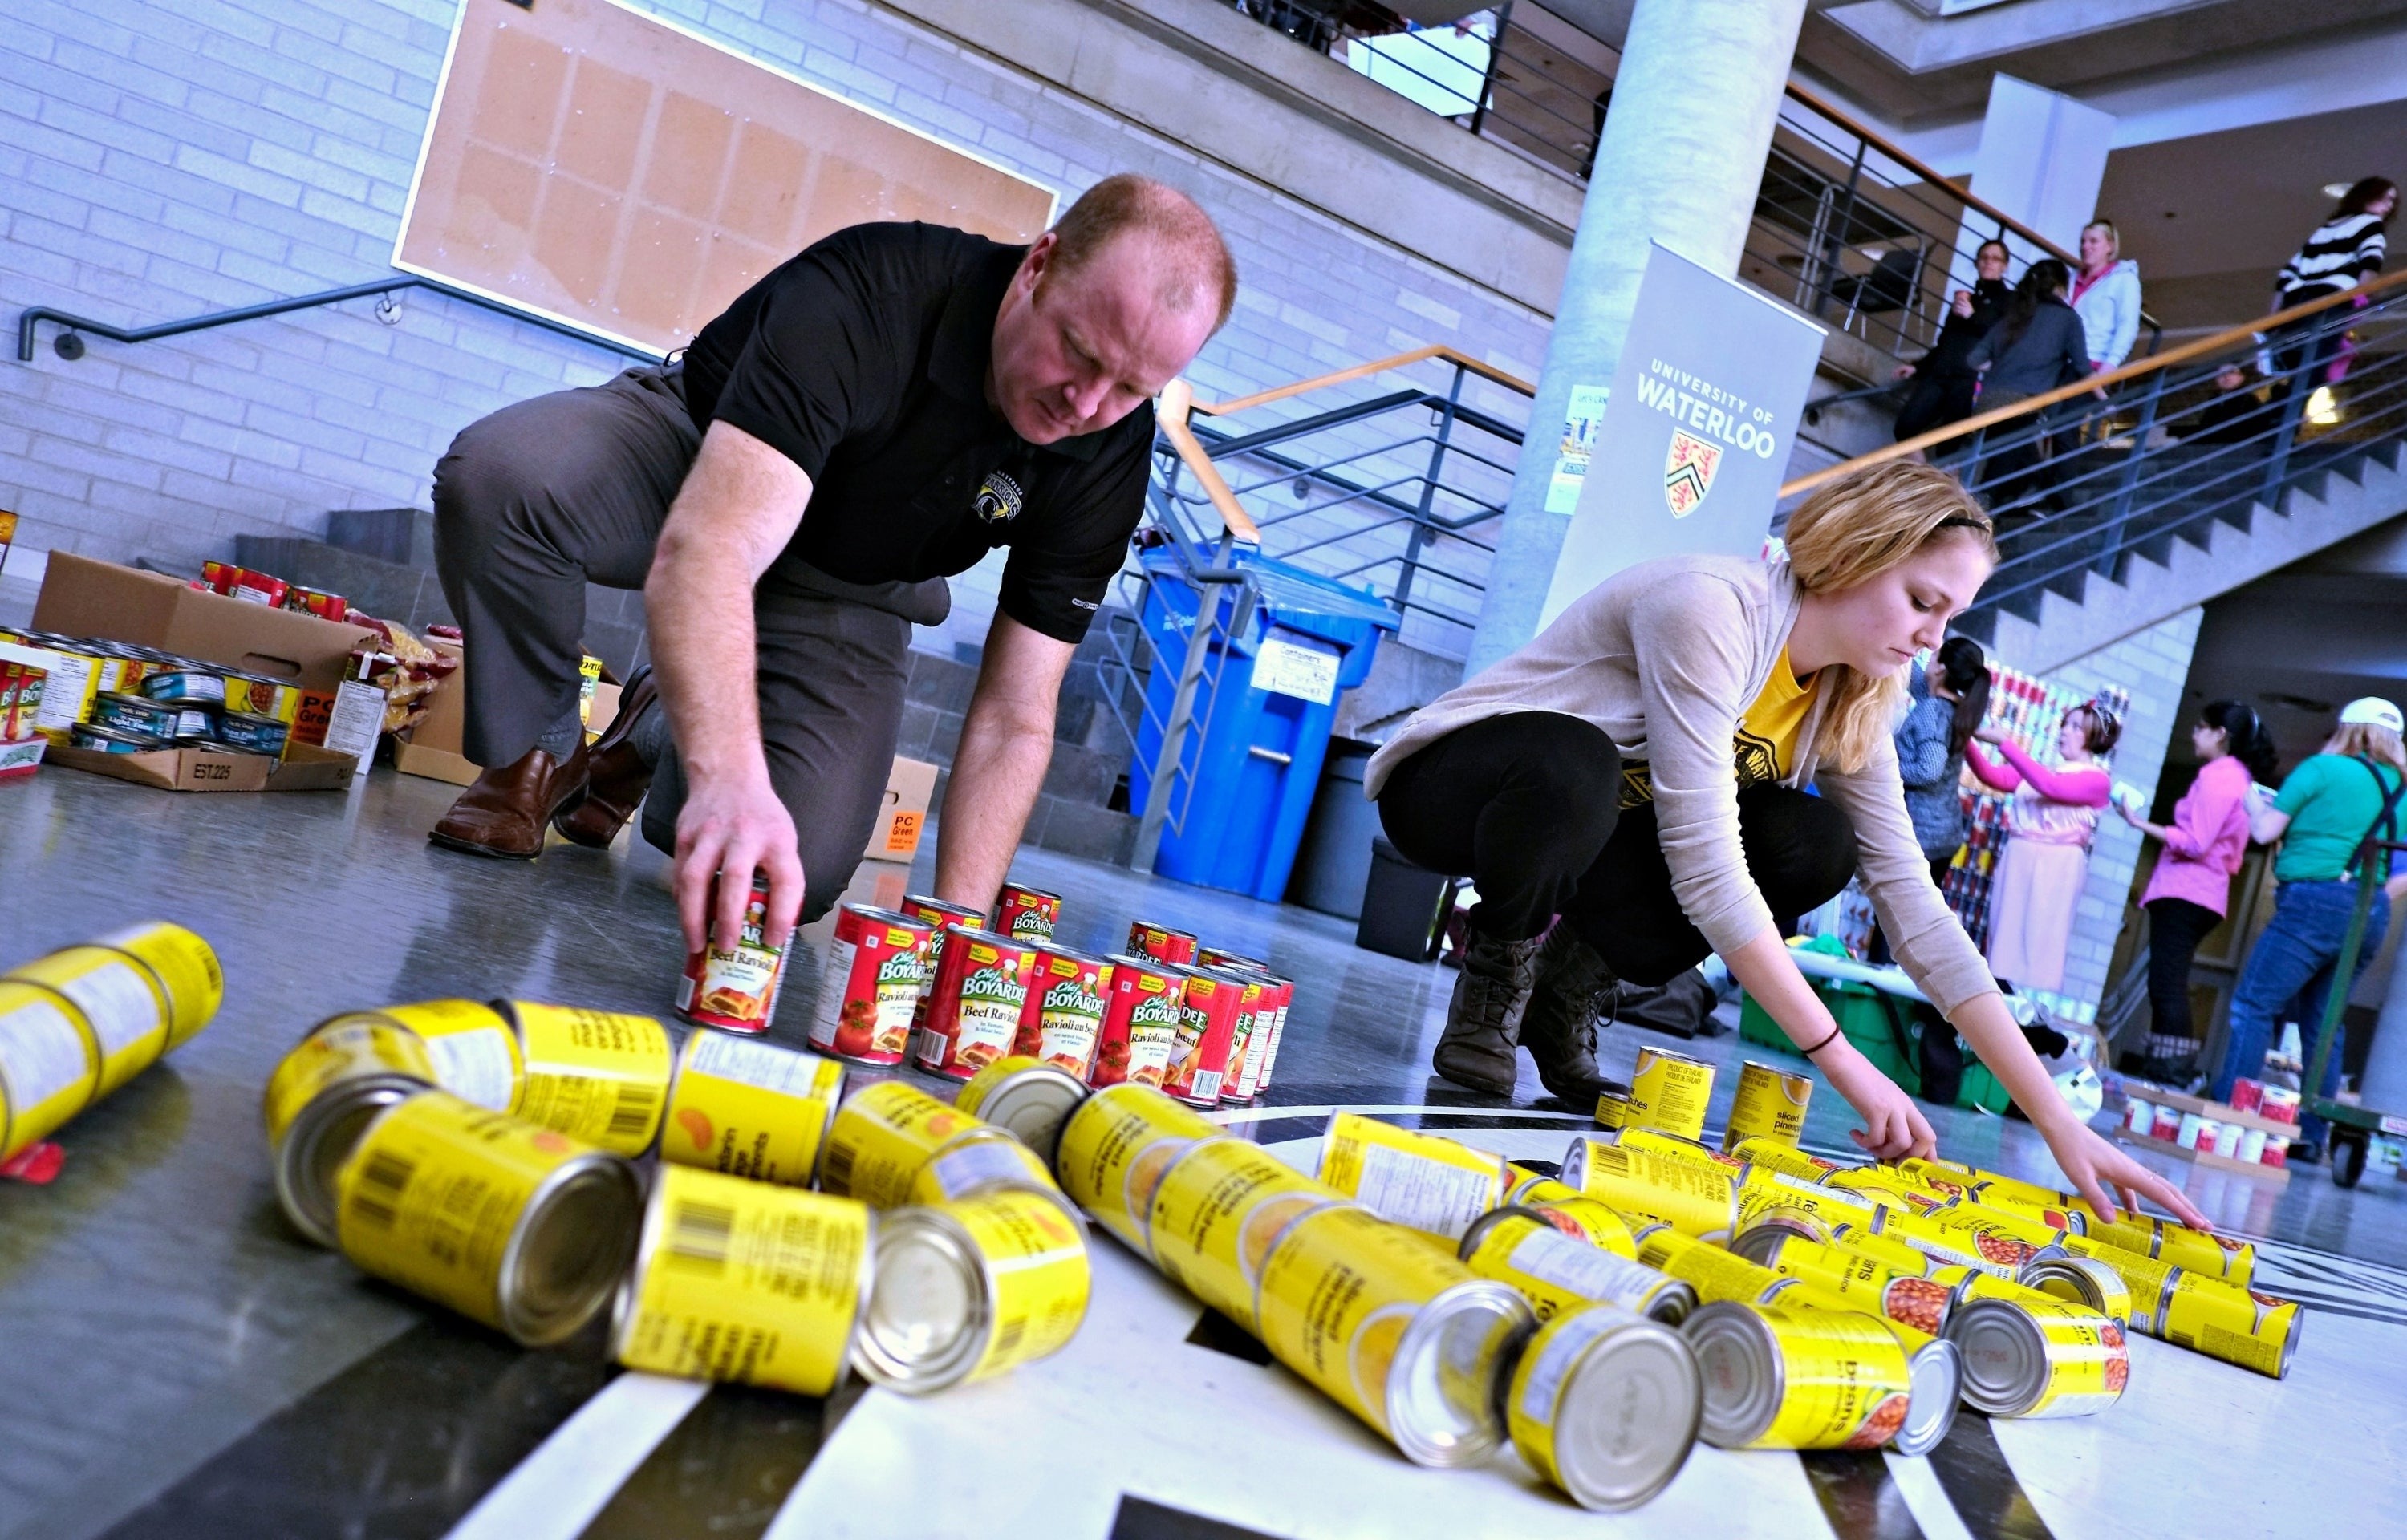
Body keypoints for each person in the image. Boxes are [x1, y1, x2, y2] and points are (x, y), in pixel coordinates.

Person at [1365, 458, 2206, 1226]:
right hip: (1455, 795)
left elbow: (1913, 903)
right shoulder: (1710, 606)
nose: (1930, 636)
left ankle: (1566, 988)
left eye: (1950, 615)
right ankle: (1498, 968)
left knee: (1816, 843)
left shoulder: (1859, 697)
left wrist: (2059, 1122)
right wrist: (1842, 1063)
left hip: (1595, 845)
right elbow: (1705, 866)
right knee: (1574, 766)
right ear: (1850, 554)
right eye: (1923, 601)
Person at [428, 177, 1235, 958]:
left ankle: (654, 728)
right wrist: (729, 776)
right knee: (505, 480)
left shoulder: (1106, 452)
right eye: (1077, 351)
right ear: (1038, 265)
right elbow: (708, 548)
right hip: (700, 467)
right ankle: (533, 751)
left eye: (1130, 389)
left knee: (786, 872)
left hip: (852, 583)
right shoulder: (872, 290)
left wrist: (956, 935)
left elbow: (1017, 712)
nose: (1085, 406)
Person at [2218, 697, 2407, 1158]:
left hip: (2311, 903)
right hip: (2369, 913)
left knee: (2253, 1005)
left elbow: (2264, 833)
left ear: (2348, 729)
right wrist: (2373, 896)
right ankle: (2310, 1136)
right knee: (2325, 1026)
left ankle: (2229, 1116)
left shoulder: (2321, 771)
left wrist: (2252, 804)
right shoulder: (2403, 790)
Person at [2118, 701, 2279, 1088]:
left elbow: (2195, 842)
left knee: (2166, 983)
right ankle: (2168, 1075)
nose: (2194, 734)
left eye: (2201, 727)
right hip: (2202, 893)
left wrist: (2137, 822)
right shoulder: (2238, 779)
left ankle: (2173, 1078)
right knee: (2167, 982)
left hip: (2186, 891)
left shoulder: (2219, 777)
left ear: (2221, 734)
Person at [1965, 701, 2120, 995]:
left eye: (2076, 726)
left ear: (2093, 736)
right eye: (2066, 724)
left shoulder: (2098, 780)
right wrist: (1964, 736)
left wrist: (2006, 744)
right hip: (2018, 858)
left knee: (2038, 943)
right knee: (2003, 944)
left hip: (2057, 866)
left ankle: (2035, 1027)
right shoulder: (2042, 770)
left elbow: (2052, 787)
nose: (2065, 731)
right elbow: (1992, 775)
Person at [1965, 259, 2090, 513]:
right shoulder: (2068, 319)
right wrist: (2105, 397)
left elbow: (1973, 359)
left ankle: (2024, 502)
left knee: (2015, 460)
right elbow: (2082, 366)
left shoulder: (2015, 317)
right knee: (2003, 466)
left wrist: (2000, 367)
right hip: (2024, 403)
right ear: (2060, 286)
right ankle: (1978, 516)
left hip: (1988, 403)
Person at [2268, 177, 2394, 404]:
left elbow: (2287, 274)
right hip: (2331, 300)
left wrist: (2274, 318)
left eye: (2392, 201)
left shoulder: (2326, 228)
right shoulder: (2371, 223)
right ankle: (2280, 423)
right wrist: (2366, 298)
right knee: (2314, 369)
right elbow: (2370, 261)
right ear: (2366, 196)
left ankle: (2276, 418)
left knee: (2298, 366)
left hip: (2297, 302)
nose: (2389, 205)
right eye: (2383, 198)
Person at [1892, 241, 2012, 443]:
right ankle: (1927, 474)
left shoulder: (2010, 301)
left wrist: (1972, 317)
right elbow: (1945, 343)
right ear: (1976, 263)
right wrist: (1918, 368)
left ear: (2005, 266)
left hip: (1970, 379)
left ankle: (1937, 474)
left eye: (1995, 258)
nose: (1988, 262)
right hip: (1941, 373)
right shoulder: (1966, 299)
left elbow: (2001, 339)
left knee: (1951, 445)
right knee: (1905, 427)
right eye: (1983, 257)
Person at [1895, 634, 1991, 886]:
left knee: (1896, 919)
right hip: (1942, 834)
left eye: (1934, 656)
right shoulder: (1951, 706)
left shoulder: (1933, 710)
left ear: (1941, 668)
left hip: (1923, 836)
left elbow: (1929, 770)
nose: (1928, 659)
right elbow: (1912, 677)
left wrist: (1881, 767)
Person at [2069, 220, 2143, 375]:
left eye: (2093, 241)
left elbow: (2127, 325)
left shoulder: (2124, 280)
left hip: (2093, 365)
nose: (2085, 247)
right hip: (2061, 361)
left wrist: (2110, 365)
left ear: (2110, 246)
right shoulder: (2071, 278)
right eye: (2083, 241)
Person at [2175, 364, 2267, 447]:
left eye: (2232, 373)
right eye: (2222, 374)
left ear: (2241, 377)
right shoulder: (2216, 399)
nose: (2226, 377)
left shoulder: (2248, 399)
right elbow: (2207, 425)